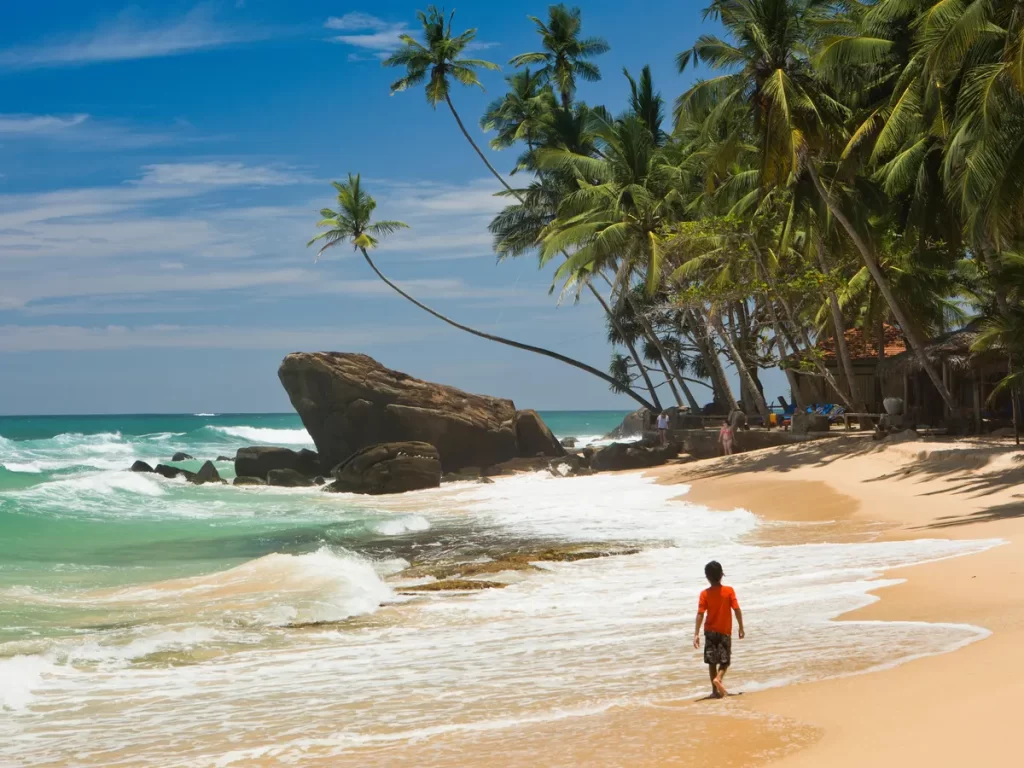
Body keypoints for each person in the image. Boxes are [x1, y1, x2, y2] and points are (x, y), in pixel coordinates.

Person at [693, 560, 744, 698]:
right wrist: (741, 627)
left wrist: (696, 634)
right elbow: (737, 610)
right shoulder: (729, 591)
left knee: (712, 662)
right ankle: (719, 678)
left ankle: (714, 692)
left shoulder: (704, 594)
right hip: (724, 631)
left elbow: (700, 614)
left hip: (709, 631)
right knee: (725, 661)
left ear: (707, 577)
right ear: (722, 574)